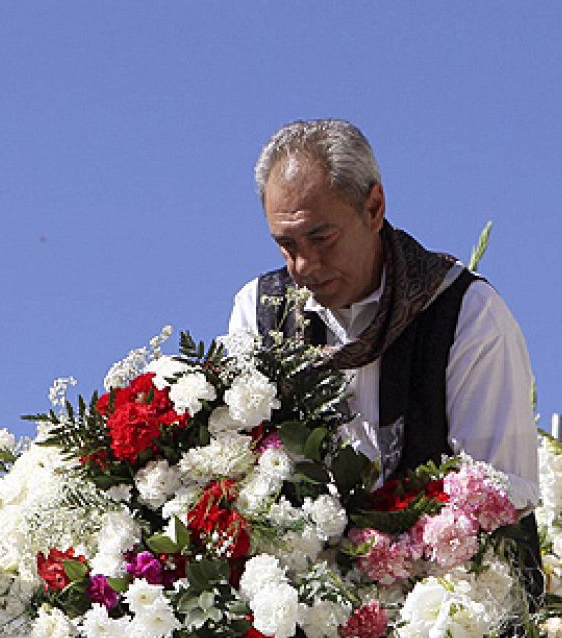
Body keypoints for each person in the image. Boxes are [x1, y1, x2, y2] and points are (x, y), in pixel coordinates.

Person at [227, 119, 539, 511]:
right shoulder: (258, 311)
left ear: (373, 208)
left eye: (321, 238)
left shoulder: (467, 315)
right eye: (287, 245)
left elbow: (498, 492)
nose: (304, 265)